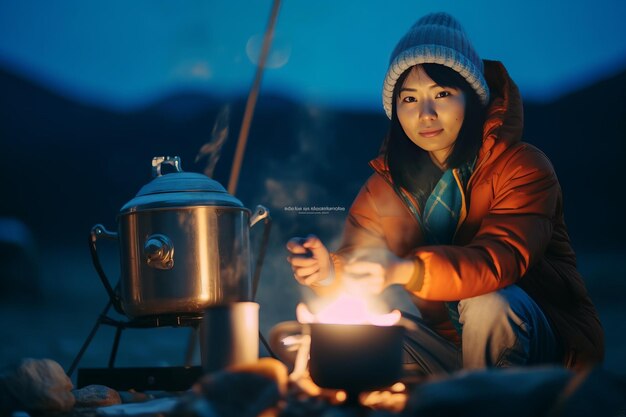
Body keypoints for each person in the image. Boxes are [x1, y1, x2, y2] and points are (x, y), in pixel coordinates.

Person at [286, 12, 604, 373]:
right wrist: (327, 269)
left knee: (486, 301)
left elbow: (498, 262)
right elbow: (363, 264)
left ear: (472, 100)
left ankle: (483, 401)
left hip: (545, 346)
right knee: (341, 343)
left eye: (442, 94)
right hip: (451, 345)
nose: (426, 114)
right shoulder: (386, 187)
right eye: (409, 99)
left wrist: (406, 271)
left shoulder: (522, 167)